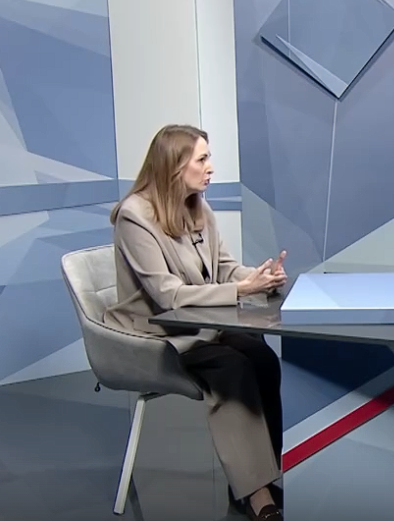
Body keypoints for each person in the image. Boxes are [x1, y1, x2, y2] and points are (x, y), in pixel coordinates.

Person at [103, 124, 289, 521]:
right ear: (174, 166)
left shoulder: (199, 207)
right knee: (232, 367)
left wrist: (260, 279)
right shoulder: (134, 217)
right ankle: (256, 493)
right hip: (156, 334)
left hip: (200, 325)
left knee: (262, 358)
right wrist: (239, 290)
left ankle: (267, 474)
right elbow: (166, 295)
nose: (211, 167)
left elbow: (224, 269)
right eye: (202, 159)